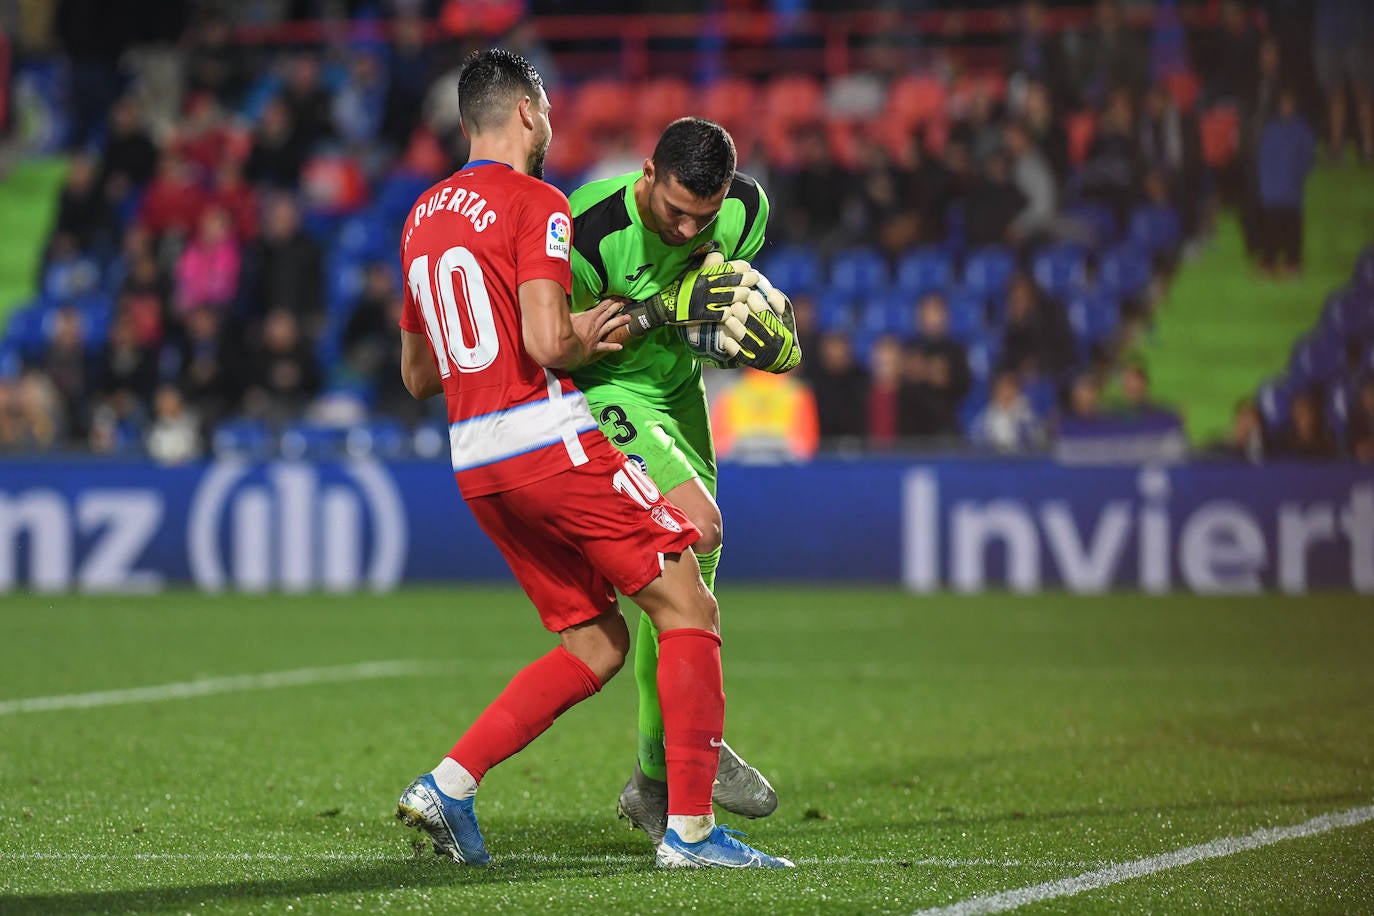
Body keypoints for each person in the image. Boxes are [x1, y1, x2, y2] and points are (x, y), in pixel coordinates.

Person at [393, 48, 792, 870]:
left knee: (597, 644)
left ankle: (449, 786)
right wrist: (629, 321)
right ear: (529, 114)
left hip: (475, 460)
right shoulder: (543, 203)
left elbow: (417, 374)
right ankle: (687, 830)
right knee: (687, 604)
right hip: (545, 441)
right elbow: (550, 342)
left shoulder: (420, 217)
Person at [566, 116, 800, 847]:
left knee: (688, 583)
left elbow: (725, 299)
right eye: (674, 212)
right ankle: (683, 754)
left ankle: (655, 772)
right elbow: (551, 346)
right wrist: (661, 311)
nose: (686, 229)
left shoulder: (746, 210)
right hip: (602, 390)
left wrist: (770, 337)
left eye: (702, 217)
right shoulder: (584, 229)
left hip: (678, 391)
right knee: (698, 529)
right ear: (647, 173)